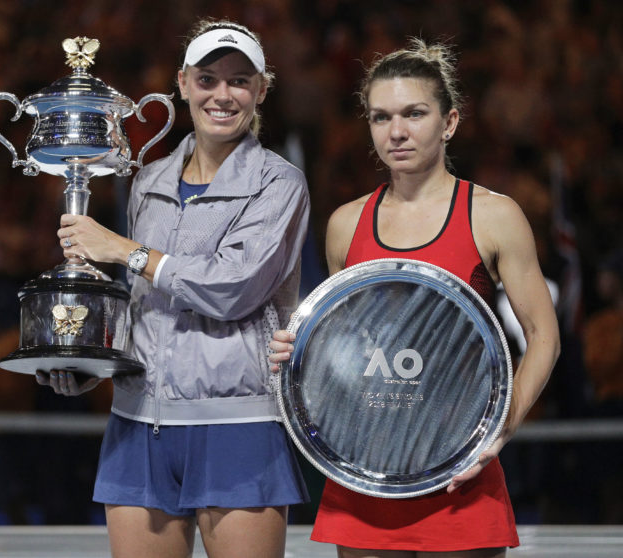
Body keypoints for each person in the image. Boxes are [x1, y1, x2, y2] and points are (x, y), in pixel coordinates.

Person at [269, 38, 560, 557]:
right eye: (381, 118)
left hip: (459, 477)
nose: (396, 131)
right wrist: (302, 356)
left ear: (449, 123)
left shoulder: (493, 216)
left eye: (414, 113)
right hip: (364, 472)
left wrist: (501, 426)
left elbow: (543, 336)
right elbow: (349, 348)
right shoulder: (345, 224)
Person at [36, 19, 310, 558]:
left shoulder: (279, 182)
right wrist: (91, 360)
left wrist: (124, 250)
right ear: (182, 84)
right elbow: (142, 302)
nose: (222, 95)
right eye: (208, 79)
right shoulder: (148, 179)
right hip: (137, 422)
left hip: (238, 424)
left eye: (239, 80)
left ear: (261, 90)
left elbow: (234, 289)